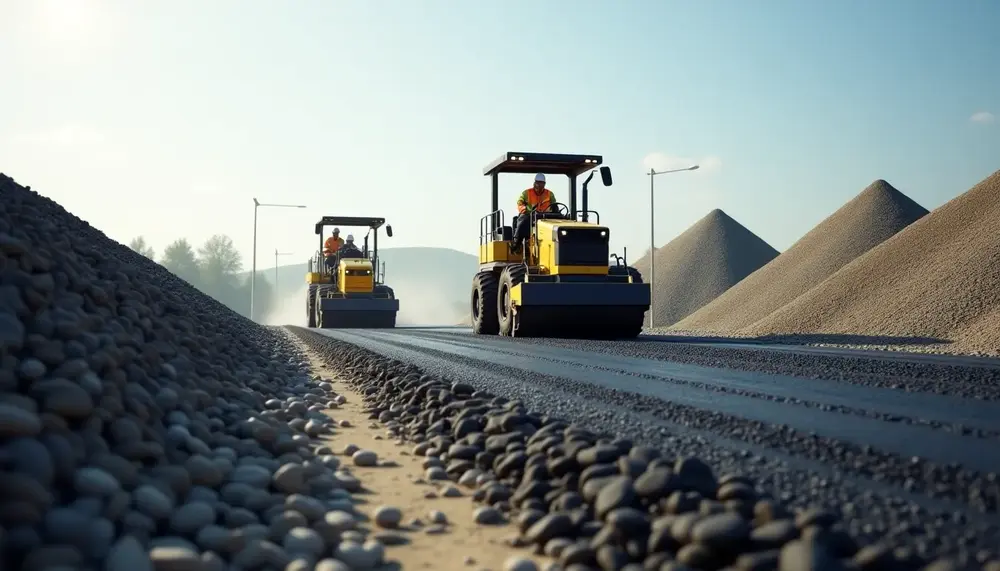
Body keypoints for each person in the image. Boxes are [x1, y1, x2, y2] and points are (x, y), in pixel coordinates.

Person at [512, 173, 557, 252]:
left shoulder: (549, 194)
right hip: (530, 215)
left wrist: (556, 211)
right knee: (522, 222)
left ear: (544, 184)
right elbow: (520, 203)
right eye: (538, 182)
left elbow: (554, 205)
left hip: (546, 216)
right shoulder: (527, 193)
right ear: (534, 182)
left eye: (541, 183)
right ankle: (516, 243)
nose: (539, 185)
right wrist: (524, 209)